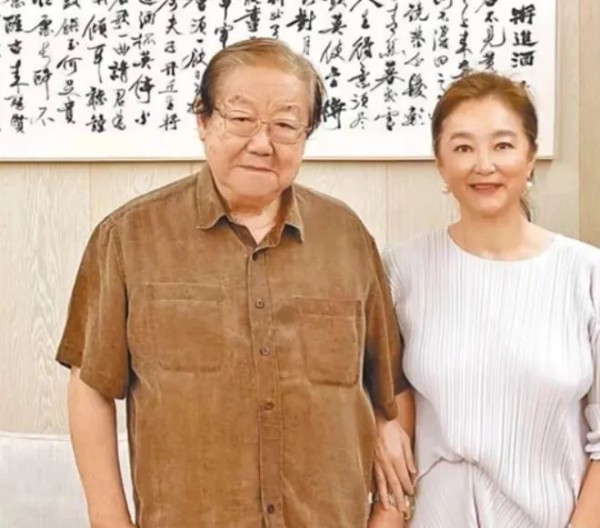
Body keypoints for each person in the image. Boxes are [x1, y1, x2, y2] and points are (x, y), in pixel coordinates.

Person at [56, 37, 414, 528]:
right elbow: (91, 385)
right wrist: (109, 518)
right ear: (203, 120)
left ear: (306, 134)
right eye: (241, 118)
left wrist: (388, 516)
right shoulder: (129, 237)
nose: (262, 143)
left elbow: (390, 387)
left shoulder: (346, 237)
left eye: (285, 124)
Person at [381, 71, 600, 527]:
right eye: (463, 148)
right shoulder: (401, 271)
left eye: (502, 145)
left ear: (531, 156)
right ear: (440, 163)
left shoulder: (587, 275)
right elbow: (390, 424)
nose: (484, 165)